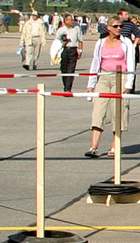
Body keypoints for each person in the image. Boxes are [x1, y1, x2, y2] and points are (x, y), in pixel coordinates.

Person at [84, 17, 135, 158]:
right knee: (98, 110)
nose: (119, 28)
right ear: (108, 27)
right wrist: (91, 84)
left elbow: (131, 63)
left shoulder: (126, 43)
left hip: (120, 77)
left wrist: (128, 84)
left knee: (117, 111)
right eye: (116, 26)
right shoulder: (100, 43)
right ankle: (93, 147)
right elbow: (95, 63)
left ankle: (114, 147)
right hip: (104, 76)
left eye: (121, 26)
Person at [53, 14, 83, 93]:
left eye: (72, 20)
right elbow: (56, 42)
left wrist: (80, 50)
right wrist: (63, 43)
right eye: (70, 20)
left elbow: (80, 40)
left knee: (71, 70)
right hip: (64, 50)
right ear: (65, 21)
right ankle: (65, 85)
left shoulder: (77, 29)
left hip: (73, 50)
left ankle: (68, 89)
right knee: (64, 69)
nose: (72, 22)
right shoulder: (61, 30)